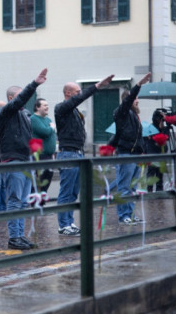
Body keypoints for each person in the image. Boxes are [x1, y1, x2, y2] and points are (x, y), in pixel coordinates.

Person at [54, 74, 114, 236]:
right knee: (66, 191)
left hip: (77, 154)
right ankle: (63, 225)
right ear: (68, 93)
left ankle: (69, 222)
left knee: (73, 192)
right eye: (77, 91)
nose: (80, 94)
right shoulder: (61, 108)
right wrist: (97, 86)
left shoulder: (74, 111)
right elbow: (77, 100)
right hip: (68, 154)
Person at [0, 68, 48, 250]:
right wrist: (34, 84)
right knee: (14, 200)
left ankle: (20, 235)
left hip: (26, 160)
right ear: (11, 98)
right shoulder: (6, 112)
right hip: (14, 160)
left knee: (24, 202)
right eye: (19, 97)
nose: (24, 101)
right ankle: (14, 237)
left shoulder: (24, 115)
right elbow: (20, 99)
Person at [110, 73, 151, 226]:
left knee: (132, 188)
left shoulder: (135, 116)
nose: (138, 101)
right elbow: (127, 102)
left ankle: (131, 214)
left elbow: (138, 137)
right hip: (125, 154)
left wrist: (142, 152)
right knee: (124, 187)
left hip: (135, 154)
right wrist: (138, 85)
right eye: (135, 99)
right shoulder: (122, 113)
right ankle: (123, 216)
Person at [30, 98, 56, 193]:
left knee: (47, 181)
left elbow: (52, 136)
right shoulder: (33, 119)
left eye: (47, 105)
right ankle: (34, 204)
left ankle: (41, 201)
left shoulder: (48, 119)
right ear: (37, 107)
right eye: (44, 105)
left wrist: (53, 153)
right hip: (40, 156)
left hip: (49, 156)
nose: (47, 107)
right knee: (39, 182)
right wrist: (51, 127)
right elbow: (45, 132)